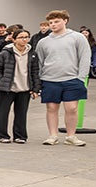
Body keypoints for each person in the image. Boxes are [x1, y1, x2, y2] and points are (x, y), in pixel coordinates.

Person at [35, 9, 91, 146]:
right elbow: (39, 62)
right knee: (51, 108)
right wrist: (40, 79)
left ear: (65, 21)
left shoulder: (77, 37)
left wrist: (81, 77)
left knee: (71, 108)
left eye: (56, 21)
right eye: (51, 22)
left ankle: (71, 136)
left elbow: (85, 57)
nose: (53, 24)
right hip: (50, 79)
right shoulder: (43, 42)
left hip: (72, 79)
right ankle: (53, 135)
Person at [0, 28, 40, 144]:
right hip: (7, 88)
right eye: (21, 37)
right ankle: (1, 135)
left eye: (26, 37)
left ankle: (20, 136)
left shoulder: (32, 54)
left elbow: (35, 72)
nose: (24, 40)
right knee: (2, 113)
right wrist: (1, 81)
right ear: (14, 40)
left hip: (24, 88)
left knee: (21, 114)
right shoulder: (5, 53)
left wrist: (36, 89)